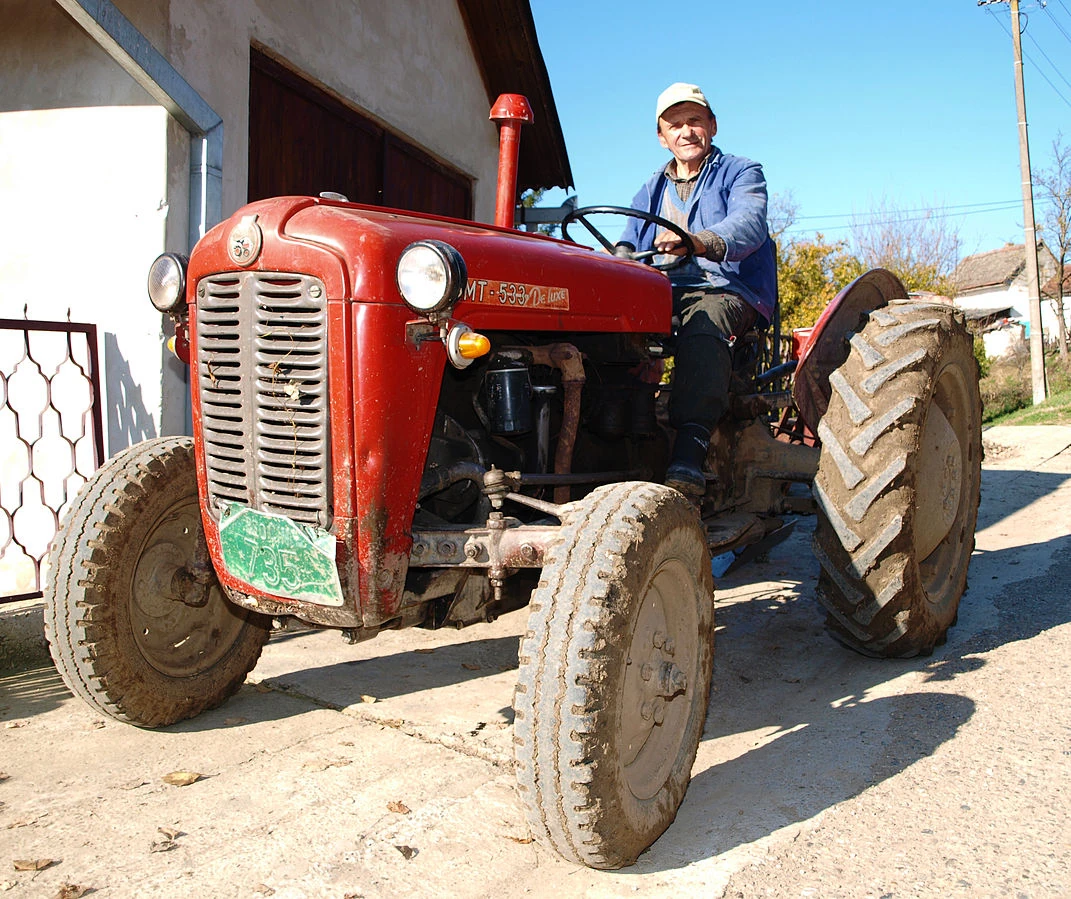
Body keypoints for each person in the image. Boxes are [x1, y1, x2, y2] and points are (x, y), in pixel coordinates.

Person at [617, 82, 777, 495]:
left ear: (712, 126)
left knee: (706, 320)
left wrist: (698, 241)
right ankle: (619, 437)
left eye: (695, 121)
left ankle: (690, 452)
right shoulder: (650, 189)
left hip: (728, 287)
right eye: (675, 124)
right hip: (665, 290)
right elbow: (627, 244)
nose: (686, 131)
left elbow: (749, 223)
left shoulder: (741, 173)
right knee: (606, 325)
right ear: (662, 136)